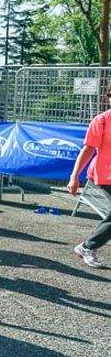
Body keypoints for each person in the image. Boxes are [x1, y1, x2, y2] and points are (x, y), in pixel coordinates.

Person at [69, 84, 111, 269]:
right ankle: (87, 247)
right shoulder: (101, 121)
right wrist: (74, 176)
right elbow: (87, 150)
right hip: (104, 174)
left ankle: (88, 247)